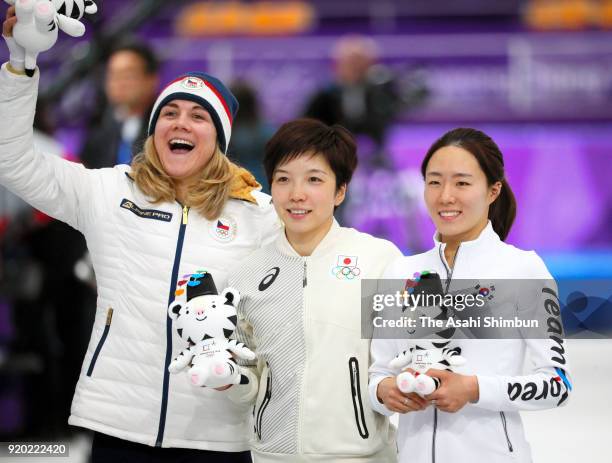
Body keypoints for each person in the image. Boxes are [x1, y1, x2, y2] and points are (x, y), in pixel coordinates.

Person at [1, 6, 278, 462]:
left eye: (198, 116)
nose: (180, 123)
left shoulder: (259, 214)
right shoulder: (109, 191)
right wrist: (21, 63)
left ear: (219, 141)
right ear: (153, 131)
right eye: (169, 112)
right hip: (118, 427)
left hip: (219, 435)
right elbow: (11, 159)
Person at [368, 127, 573, 462]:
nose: (445, 196)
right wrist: (383, 392)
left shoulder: (524, 269)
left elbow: (557, 385)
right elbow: (378, 375)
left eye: (462, 183)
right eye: (434, 182)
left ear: (493, 190)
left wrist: (474, 389)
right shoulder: (399, 272)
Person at [226, 118, 403, 462]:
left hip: (362, 455)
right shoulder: (247, 274)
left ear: (340, 191)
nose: (297, 194)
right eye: (283, 179)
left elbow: (403, 359)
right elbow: (246, 382)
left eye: (314, 179)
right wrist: (227, 379)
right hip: (271, 455)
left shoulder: (378, 260)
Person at [80, 39, 160, 168]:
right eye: (113, 75)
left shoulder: (162, 130)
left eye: (128, 75)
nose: (119, 83)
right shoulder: (99, 129)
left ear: (151, 80)